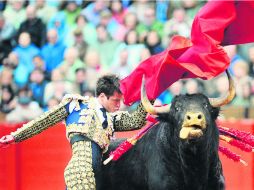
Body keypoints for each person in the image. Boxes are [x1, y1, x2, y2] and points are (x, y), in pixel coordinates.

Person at [0, 74, 149, 190]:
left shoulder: (110, 119)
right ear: (102, 96)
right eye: (115, 101)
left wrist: (150, 94)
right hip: (81, 171)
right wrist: (15, 136)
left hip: (99, 174)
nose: (119, 105)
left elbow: (135, 121)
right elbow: (43, 121)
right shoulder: (76, 105)